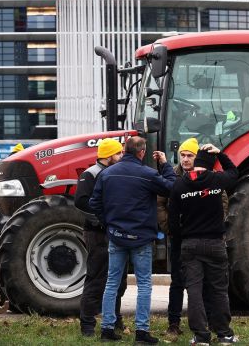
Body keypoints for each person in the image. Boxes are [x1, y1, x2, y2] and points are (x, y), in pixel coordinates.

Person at [89, 136, 176, 344]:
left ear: (124, 150)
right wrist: (164, 164)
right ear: (142, 152)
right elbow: (172, 187)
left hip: (116, 236)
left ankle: (107, 330)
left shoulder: (107, 174)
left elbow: (94, 203)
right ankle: (142, 332)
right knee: (144, 284)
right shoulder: (148, 174)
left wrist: (108, 224)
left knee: (111, 283)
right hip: (141, 238)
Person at [169, 144, 239, 345]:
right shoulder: (216, 180)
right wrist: (221, 154)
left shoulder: (179, 185)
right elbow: (234, 173)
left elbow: (173, 220)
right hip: (215, 243)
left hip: (190, 245)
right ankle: (224, 334)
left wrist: (180, 237)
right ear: (210, 165)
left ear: (196, 162)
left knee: (194, 291)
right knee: (218, 290)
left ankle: (200, 336)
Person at [74, 138, 126, 337]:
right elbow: (80, 202)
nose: (122, 156)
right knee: (97, 279)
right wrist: (103, 220)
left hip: (113, 233)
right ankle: (87, 326)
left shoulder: (112, 172)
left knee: (118, 280)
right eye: (119, 153)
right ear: (109, 156)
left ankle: (115, 319)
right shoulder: (90, 174)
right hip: (97, 234)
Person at [156, 137, 198, 338]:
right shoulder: (172, 176)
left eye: (190, 155)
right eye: (183, 155)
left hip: (199, 236)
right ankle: (173, 323)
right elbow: (159, 204)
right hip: (178, 237)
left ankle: (199, 323)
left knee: (198, 282)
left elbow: (222, 201)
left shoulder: (206, 176)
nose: (185, 159)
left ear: (196, 157)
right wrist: (169, 228)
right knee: (177, 281)